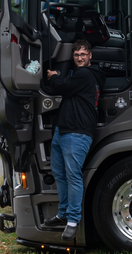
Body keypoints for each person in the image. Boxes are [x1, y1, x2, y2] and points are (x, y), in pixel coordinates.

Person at [44, 39, 105, 241]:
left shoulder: (86, 74)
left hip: (77, 133)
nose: (79, 57)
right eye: (76, 55)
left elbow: (60, 86)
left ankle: (72, 220)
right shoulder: (80, 76)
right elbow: (65, 87)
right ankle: (62, 213)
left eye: (83, 54)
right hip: (63, 131)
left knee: (73, 176)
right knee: (60, 174)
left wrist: (53, 76)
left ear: (90, 56)